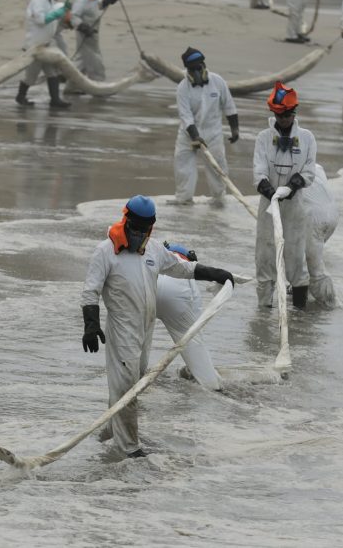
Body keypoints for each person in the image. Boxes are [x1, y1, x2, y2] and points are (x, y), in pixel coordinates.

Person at [81, 195, 234, 458]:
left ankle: (109, 430)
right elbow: (90, 291)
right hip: (122, 330)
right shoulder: (105, 252)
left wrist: (214, 272)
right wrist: (91, 325)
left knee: (135, 381)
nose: (139, 234)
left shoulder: (152, 250)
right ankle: (129, 448)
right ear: (125, 221)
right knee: (128, 388)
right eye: (134, 228)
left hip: (145, 329)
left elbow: (181, 268)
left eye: (144, 230)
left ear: (150, 228)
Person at [253, 81, 316, 309]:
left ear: (294, 113)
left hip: (295, 207)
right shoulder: (263, 138)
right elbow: (259, 172)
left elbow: (309, 171)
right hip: (268, 207)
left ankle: (299, 315)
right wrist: (270, 191)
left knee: (295, 258)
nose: (283, 120)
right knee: (265, 257)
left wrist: (291, 187)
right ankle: (263, 311)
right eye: (279, 116)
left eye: (287, 115)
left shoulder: (307, 138)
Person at [173, 47, 240, 206]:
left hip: (213, 134)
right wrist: (195, 136)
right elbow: (186, 116)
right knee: (183, 166)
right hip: (188, 134)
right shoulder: (182, 88)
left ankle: (218, 198)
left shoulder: (218, 82)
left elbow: (229, 106)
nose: (196, 72)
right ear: (187, 69)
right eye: (192, 69)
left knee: (217, 167)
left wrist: (235, 129)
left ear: (203, 65)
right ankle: (184, 199)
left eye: (198, 68)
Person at [157, 242, 224, 391]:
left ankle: (135, 379)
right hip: (178, 293)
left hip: (150, 284)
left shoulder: (155, 255)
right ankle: (212, 387)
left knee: (135, 357)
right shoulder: (189, 276)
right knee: (193, 343)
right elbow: (197, 326)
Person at [16, 0, 72, 109]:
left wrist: (62, 2)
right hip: (34, 45)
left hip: (45, 44)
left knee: (51, 72)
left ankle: (55, 100)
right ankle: (20, 96)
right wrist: (59, 13)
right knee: (31, 76)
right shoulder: (38, 0)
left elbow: (53, 6)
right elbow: (41, 20)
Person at [64, 0, 120, 92]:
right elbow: (74, 16)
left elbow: (96, 6)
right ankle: (98, 83)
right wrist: (84, 28)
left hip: (91, 28)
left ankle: (71, 86)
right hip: (85, 31)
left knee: (82, 59)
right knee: (94, 57)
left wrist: (108, 1)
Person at [303, 164, 338, 309]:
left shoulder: (287, 167)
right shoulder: (316, 166)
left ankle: (329, 304)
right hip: (332, 215)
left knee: (315, 269)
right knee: (304, 257)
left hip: (313, 218)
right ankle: (302, 289)